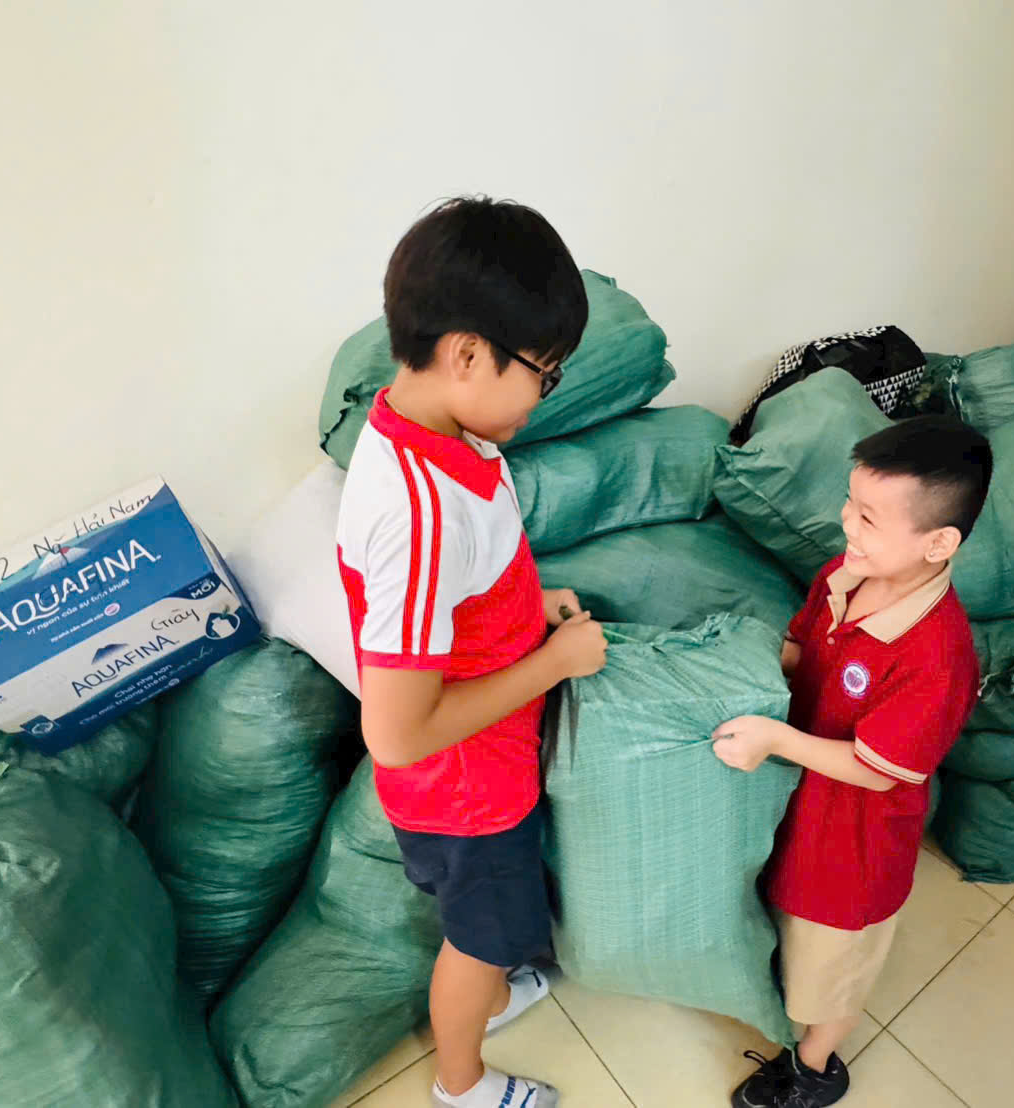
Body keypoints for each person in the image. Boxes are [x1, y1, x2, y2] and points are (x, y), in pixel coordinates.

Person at [336, 196, 607, 1108]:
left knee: (488, 926)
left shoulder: (439, 437)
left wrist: (532, 607)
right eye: (543, 373)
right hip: (466, 794)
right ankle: (464, 1082)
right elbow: (398, 734)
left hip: (476, 774)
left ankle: (488, 996)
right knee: (481, 936)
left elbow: (468, 592)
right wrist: (555, 663)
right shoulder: (417, 516)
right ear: (464, 353)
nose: (542, 395)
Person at [714, 416, 991, 1108]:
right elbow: (800, 650)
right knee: (784, 932)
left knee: (829, 974)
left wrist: (776, 740)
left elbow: (877, 768)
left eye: (868, 517)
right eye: (849, 502)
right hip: (800, 808)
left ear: (938, 543)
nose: (846, 524)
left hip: (853, 850)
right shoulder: (844, 575)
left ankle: (813, 1068)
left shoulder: (937, 656)